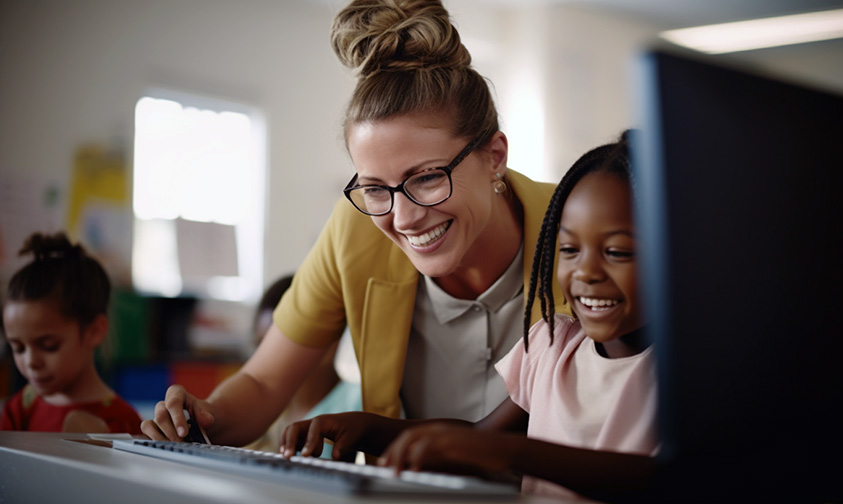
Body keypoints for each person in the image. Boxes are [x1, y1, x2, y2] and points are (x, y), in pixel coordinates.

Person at [142, 0, 563, 448]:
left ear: (494, 156)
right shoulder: (356, 227)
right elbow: (264, 384)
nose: (403, 218)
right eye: (376, 188)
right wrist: (200, 418)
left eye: (425, 177)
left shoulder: (579, 229)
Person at [283, 132, 658, 502]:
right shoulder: (551, 345)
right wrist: (368, 429)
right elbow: (480, 437)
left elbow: (671, 479)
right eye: (570, 249)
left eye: (618, 252)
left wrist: (509, 452)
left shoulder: (693, 374)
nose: (586, 272)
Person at [1, 232, 143, 434]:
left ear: (94, 331)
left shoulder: (124, 423)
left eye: (48, 346)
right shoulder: (19, 409)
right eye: (18, 348)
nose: (31, 361)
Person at [243, 275, 361, 455]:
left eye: (282, 348)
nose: (270, 361)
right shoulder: (255, 412)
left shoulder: (361, 403)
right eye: (261, 346)